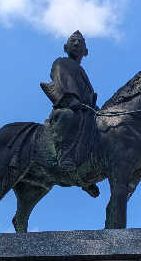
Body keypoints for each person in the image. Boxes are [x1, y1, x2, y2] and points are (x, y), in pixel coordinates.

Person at [40, 30, 100, 196]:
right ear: (65, 47)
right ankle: (63, 157)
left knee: (100, 130)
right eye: (72, 41)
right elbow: (61, 81)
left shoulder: (83, 73)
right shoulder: (60, 63)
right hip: (67, 106)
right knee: (69, 116)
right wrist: (71, 98)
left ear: (85, 52)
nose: (76, 44)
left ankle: (87, 173)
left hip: (85, 110)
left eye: (80, 42)